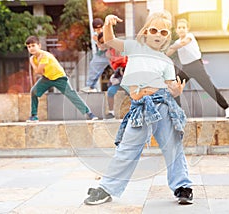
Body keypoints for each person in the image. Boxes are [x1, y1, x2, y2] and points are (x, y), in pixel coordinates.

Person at [84, 11, 193, 205]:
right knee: (127, 149)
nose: (158, 35)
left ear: (168, 37)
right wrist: (108, 24)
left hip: (164, 106)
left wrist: (176, 91)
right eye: (154, 30)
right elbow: (109, 40)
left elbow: (171, 88)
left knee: (173, 147)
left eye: (164, 32)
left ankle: (182, 186)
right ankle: (107, 188)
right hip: (141, 107)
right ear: (146, 32)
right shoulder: (134, 47)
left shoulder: (166, 61)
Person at [166, 18, 229, 118]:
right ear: (176, 30)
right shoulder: (176, 42)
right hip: (186, 68)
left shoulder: (190, 36)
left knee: (209, 88)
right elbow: (169, 52)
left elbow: (183, 43)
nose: (181, 29)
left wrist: (171, 48)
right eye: (179, 27)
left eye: (183, 27)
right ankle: (177, 112)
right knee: (175, 87)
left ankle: (227, 109)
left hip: (197, 66)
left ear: (187, 29)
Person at [25, 36, 98, 122]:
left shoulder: (44, 56)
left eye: (33, 45)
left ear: (39, 46)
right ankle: (34, 116)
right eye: (29, 47)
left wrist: (32, 63)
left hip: (59, 77)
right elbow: (39, 72)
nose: (31, 48)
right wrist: (33, 62)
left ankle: (90, 114)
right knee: (34, 91)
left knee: (71, 95)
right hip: (47, 78)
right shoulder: (34, 58)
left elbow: (38, 71)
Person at [81, 18, 110, 93]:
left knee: (120, 68)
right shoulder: (95, 36)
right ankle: (90, 86)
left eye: (100, 28)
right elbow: (101, 47)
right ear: (94, 29)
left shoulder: (107, 31)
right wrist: (98, 41)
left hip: (113, 52)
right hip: (103, 53)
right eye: (97, 29)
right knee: (93, 64)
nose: (99, 30)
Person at [105, 47, 127, 119]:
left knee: (132, 92)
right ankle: (111, 112)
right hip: (119, 77)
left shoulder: (125, 55)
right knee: (110, 91)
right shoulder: (112, 55)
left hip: (128, 78)